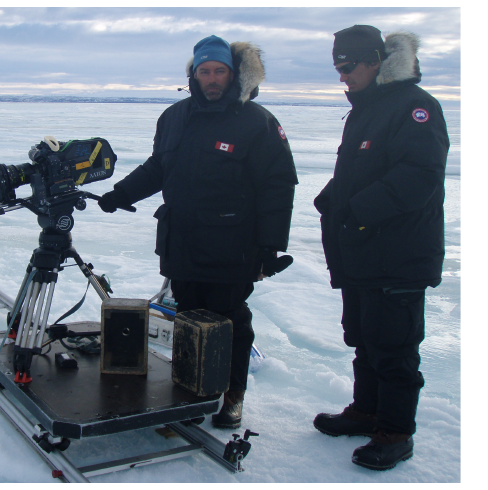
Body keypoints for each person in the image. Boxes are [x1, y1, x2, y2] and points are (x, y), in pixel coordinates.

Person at [98, 35, 298, 429]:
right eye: (204, 71)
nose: (211, 79)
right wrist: (120, 194)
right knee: (187, 318)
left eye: (219, 71)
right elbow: (159, 167)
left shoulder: (257, 122)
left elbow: (278, 186)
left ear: (232, 74)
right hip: (182, 241)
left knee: (230, 321)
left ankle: (232, 396)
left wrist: (269, 247)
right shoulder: (174, 116)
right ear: (193, 74)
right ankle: (193, 391)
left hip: (233, 245)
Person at [313, 25, 449, 471]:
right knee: (366, 340)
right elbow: (363, 169)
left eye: (348, 66)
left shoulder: (415, 108)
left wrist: (357, 210)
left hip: (399, 256)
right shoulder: (367, 111)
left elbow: (418, 176)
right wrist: (333, 197)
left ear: (375, 61)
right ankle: (367, 412)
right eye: (337, 67)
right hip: (363, 251)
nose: (342, 76)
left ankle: (395, 431)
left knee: (394, 347)